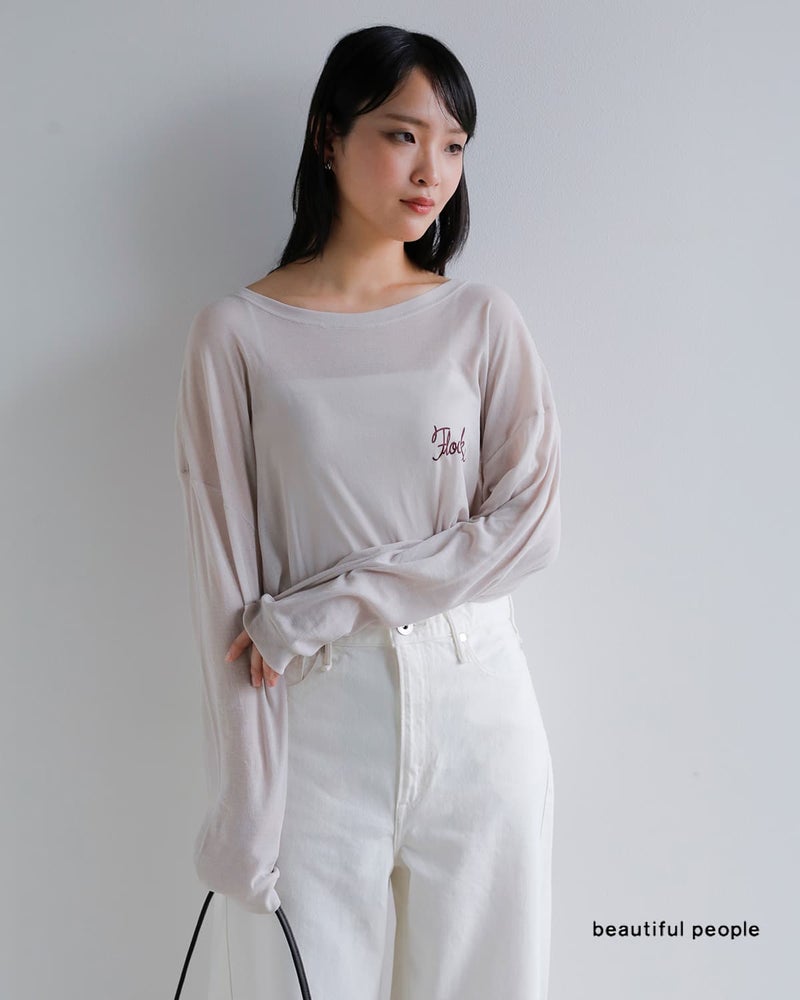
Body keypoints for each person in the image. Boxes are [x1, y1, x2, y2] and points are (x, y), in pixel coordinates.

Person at [174, 24, 562, 1000]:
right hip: (312, 719)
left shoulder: (479, 320)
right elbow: (225, 589)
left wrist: (324, 604)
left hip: (478, 707)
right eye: (401, 135)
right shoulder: (237, 336)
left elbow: (526, 527)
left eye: (454, 144)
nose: (432, 171)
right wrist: (245, 798)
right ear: (327, 137)